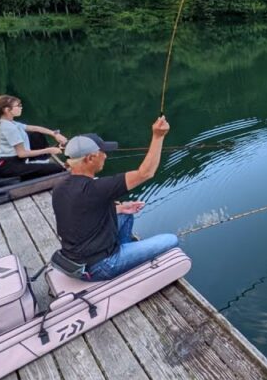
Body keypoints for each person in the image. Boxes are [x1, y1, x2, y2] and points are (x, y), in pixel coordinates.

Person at [51, 116, 178, 281]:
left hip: (76, 258)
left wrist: (120, 208)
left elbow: (82, 214)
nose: (106, 156)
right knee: (171, 239)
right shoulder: (96, 189)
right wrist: (158, 136)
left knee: (125, 213)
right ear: (90, 158)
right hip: (100, 266)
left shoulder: (60, 186)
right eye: (103, 152)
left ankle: (126, 250)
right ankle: (124, 258)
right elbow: (145, 173)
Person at [0, 94, 67, 180]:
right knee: (57, 168)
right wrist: (48, 150)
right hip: (10, 166)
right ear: (7, 110)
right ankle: (35, 167)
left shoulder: (6, 122)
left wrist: (55, 134)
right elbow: (22, 154)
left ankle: (38, 163)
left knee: (35, 134)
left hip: (7, 161)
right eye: (18, 106)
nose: (21, 107)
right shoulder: (9, 128)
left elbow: (34, 128)